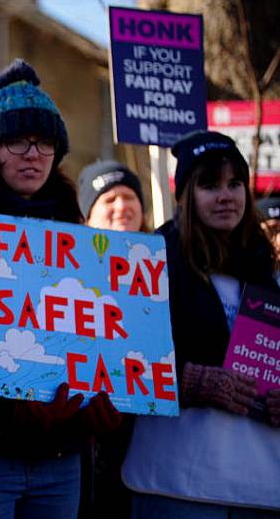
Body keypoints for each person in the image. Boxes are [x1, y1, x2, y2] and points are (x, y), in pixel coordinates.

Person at [0, 59, 122, 519]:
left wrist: (107, 395)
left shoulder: (81, 234)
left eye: (45, 142)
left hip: (60, 460)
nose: (32, 153)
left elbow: (95, 332)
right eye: (17, 140)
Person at [122, 131, 280, 517]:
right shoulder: (149, 264)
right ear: (185, 196)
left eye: (235, 184)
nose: (226, 196)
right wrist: (193, 381)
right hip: (176, 483)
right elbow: (120, 363)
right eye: (210, 185)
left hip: (262, 486)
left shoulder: (267, 270)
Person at [76, 159, 147, 518]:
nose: (122, 207)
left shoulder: (166, 267)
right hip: (87, 431)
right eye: (109, 200)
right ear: (87, 218)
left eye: (130, 197)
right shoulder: (65, 272)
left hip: (146, 433)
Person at [79, 159, 147, 232]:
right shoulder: (76, 243)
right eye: (110, 200)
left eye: (128, 197)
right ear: (89, 217)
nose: (121, 206)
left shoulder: (159, 242)